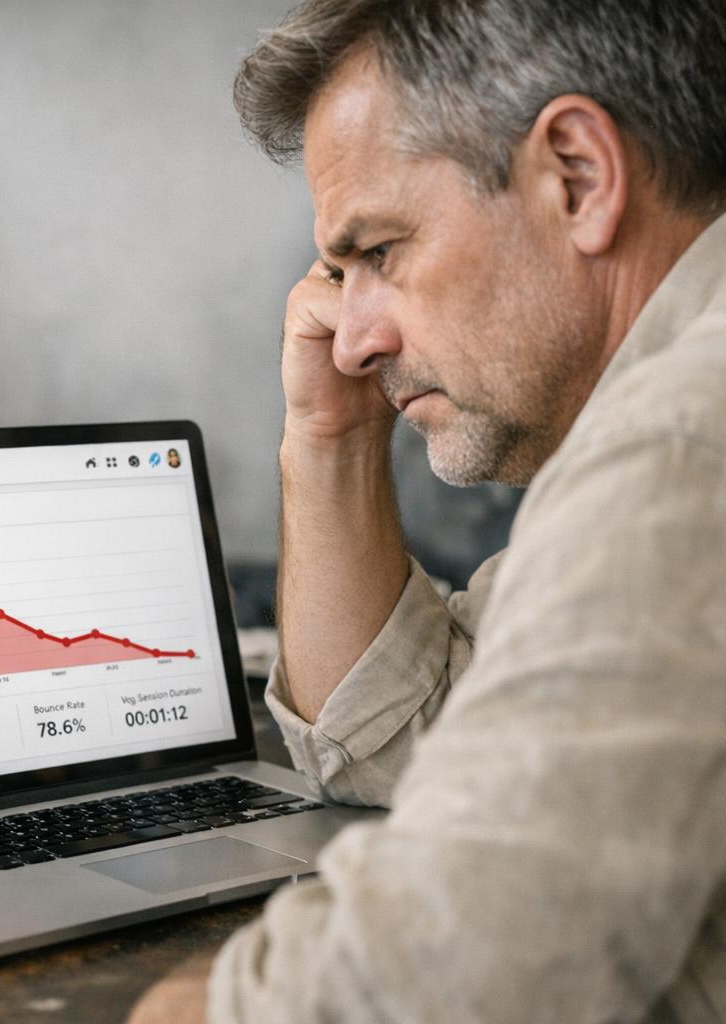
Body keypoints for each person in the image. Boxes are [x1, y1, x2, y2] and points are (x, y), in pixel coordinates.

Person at [129, 1, 726, 1021]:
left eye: (378, 250)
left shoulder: (682, 441)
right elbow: (415, 738)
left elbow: (433, 986)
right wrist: (331, 436)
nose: (349, 338)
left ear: (577, 176)